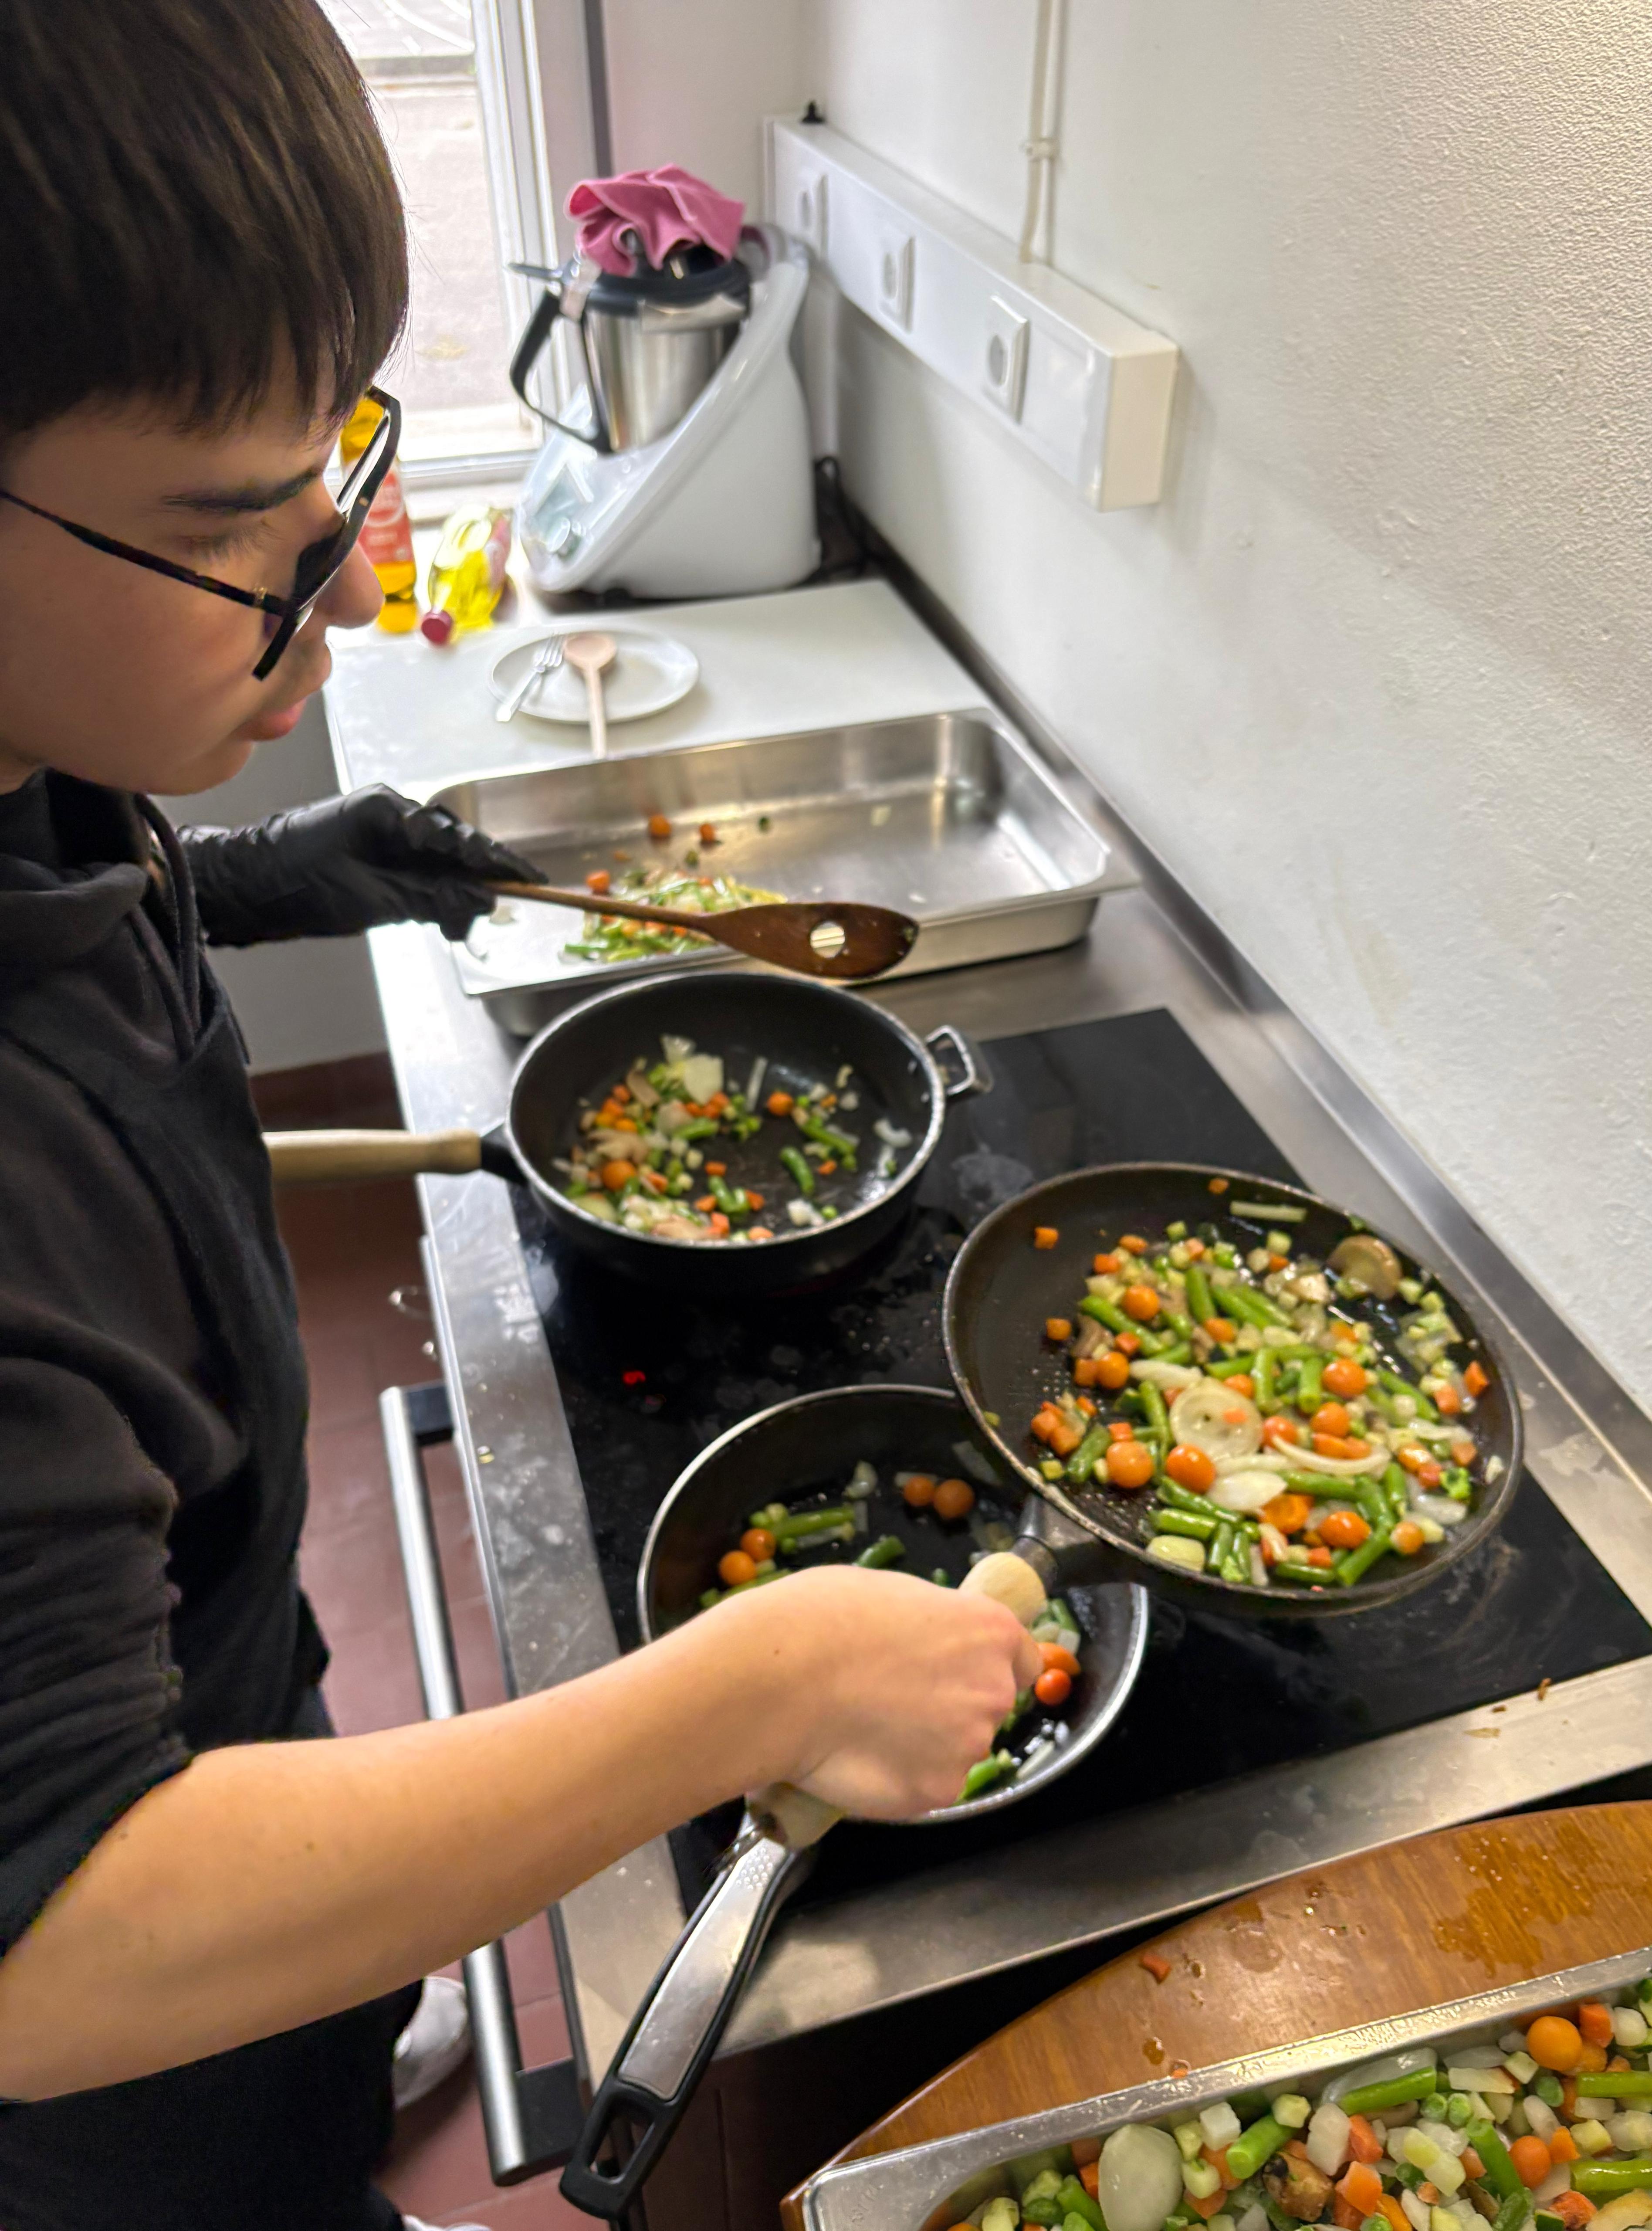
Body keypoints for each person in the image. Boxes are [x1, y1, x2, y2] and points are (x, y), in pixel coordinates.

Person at [0, 5, 1039, 2228]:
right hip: (109, 2117)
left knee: (295, 2031)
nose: (359, 578)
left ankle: (329, 2047)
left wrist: (265, 874)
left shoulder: (43, 751)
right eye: (241, 526)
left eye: (338, 467)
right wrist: (748, 1684)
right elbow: (55, 1936)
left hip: (222, 1680)